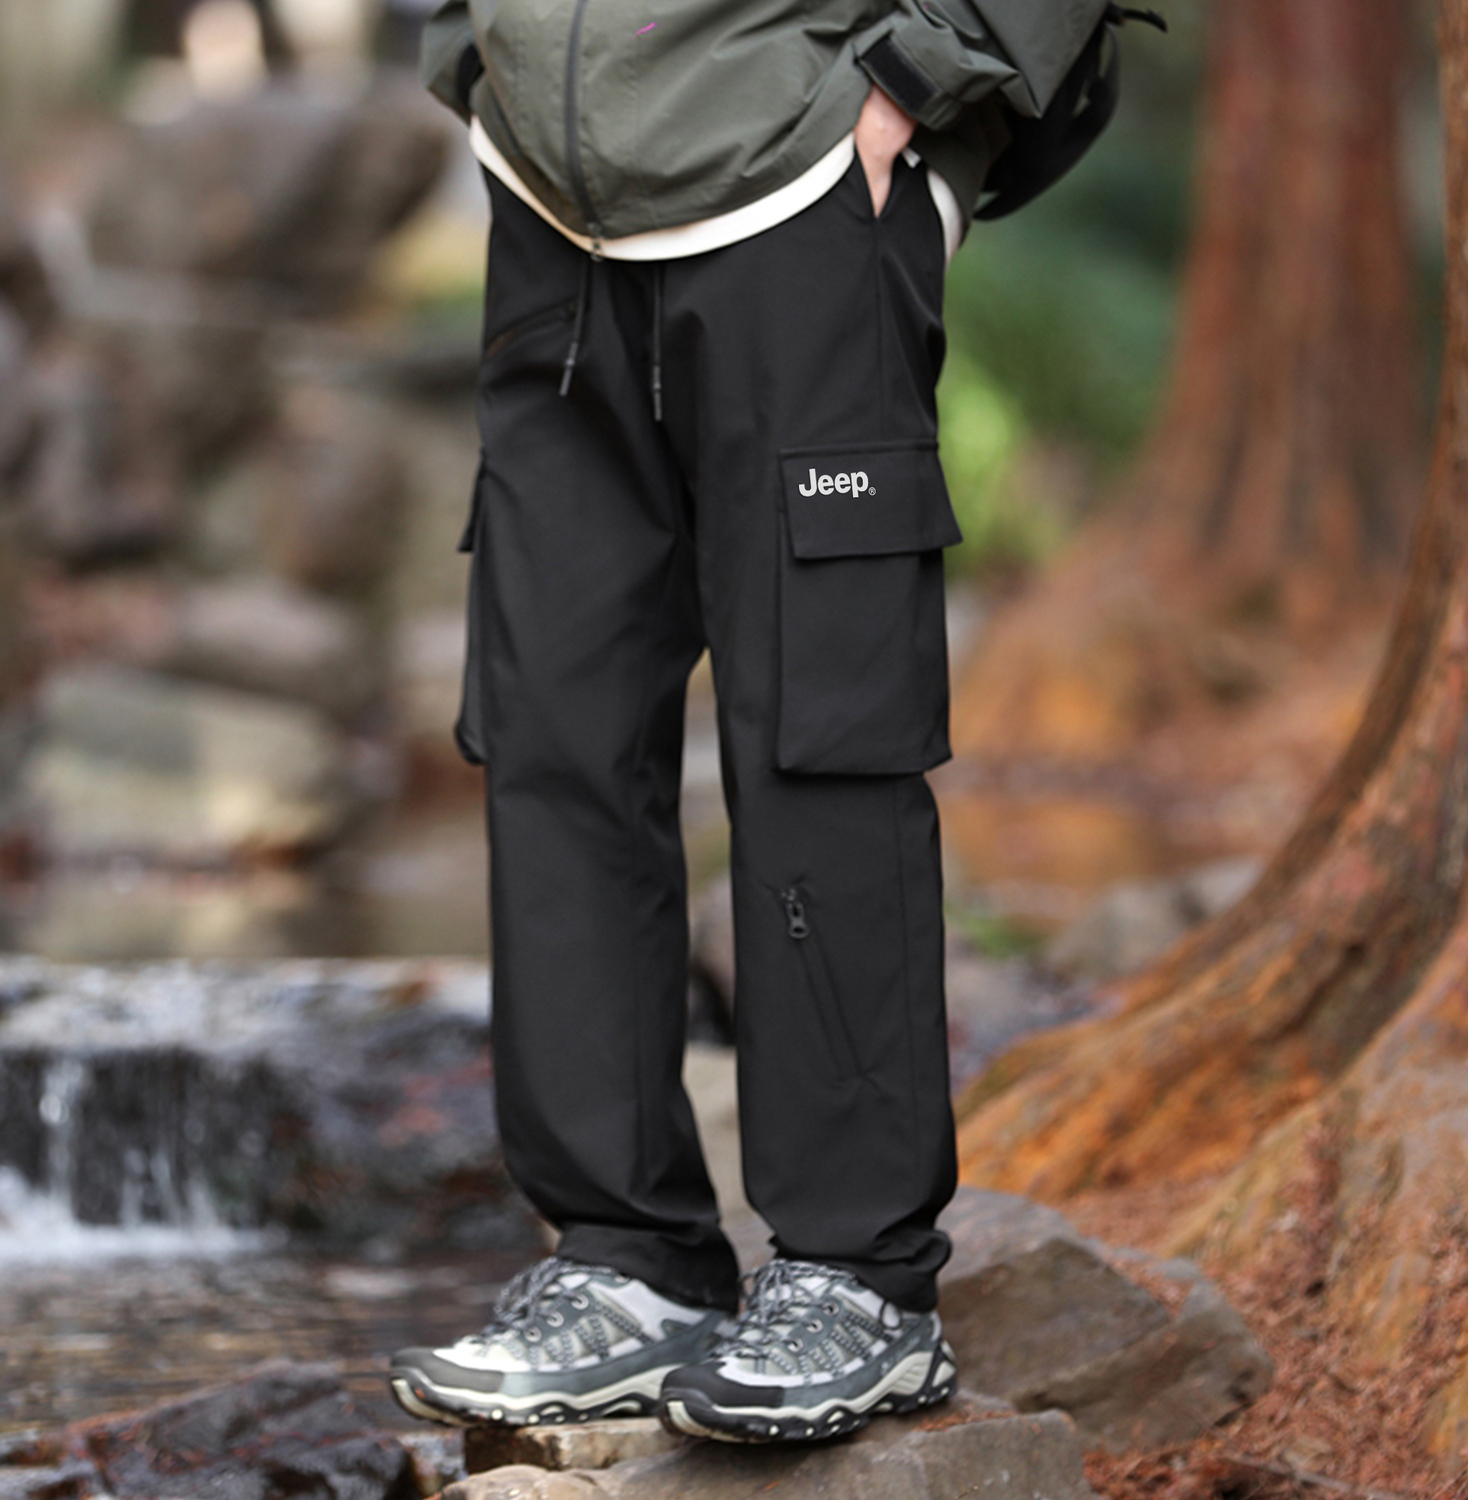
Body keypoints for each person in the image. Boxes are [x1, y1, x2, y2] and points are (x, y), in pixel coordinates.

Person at [390, 0, 1112, 1445]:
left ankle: (859, 1279)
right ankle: (625, 1260)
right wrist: (474, 50)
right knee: (555, 738)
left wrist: (923, 73)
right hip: (551, 204)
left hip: (804, 184)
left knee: (821, 739)